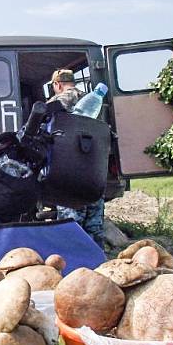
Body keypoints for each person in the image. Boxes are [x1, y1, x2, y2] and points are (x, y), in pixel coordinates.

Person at [47, 69, 106, 248]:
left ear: (57, 84)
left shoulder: (58, 101)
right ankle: (98, 262)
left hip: (69, 171)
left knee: (70, 227)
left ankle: (74, 263)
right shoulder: (95, 100)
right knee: (94, 226)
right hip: (94, 170)